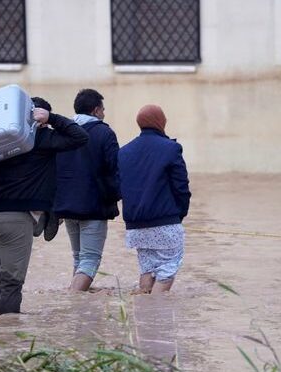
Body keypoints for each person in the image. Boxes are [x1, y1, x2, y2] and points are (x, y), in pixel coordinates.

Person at [0, 97, 88, 315]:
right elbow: (80, 137)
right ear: (39, 119)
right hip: (15, 218)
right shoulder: (39, 137)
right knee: (11, 282)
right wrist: (53, 119)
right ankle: (8, 340)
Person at [118, 104, 191, 293]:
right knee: (167, 270)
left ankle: (144, 315)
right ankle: (156, 313)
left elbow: (122, 187)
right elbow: (181, 187)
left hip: (136, 227)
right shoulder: (171, 148)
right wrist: (179, 214)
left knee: (147, 270)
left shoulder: (124, 152)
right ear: (161, 121)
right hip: (166, 224)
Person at [54, 89, 120, 291]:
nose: (104, 114)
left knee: (79, 258)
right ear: (96, 110)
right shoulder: (104, 133)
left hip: (66, 207)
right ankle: (72, 298)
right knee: (90, 261)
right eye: (103, 109)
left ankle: (78, 310)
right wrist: (116, 197)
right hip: (93, 206)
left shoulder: (63, 132)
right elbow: (115, 168)